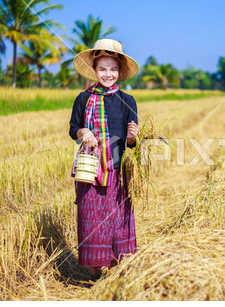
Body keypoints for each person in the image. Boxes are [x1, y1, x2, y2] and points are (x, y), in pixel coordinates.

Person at [68, 38, 139, 281]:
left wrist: (132, 137)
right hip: (90, 171)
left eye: (113, 69)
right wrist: (82, 133)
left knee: (119, 221)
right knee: (92, 221)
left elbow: (131, 145)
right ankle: (95, 273)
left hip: (117, 170)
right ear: (95, 70)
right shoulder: (84, 98)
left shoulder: (128, 101)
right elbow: (73, 129)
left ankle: (118, 271)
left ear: (119, 71)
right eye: (102, 69)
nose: (108, 74)